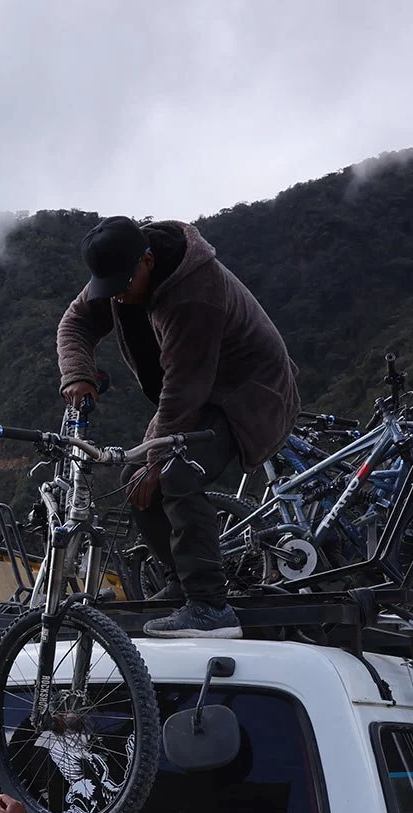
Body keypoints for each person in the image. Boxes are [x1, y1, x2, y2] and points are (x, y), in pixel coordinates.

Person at [56, 215, 300, 639]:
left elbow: (185, 391)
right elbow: (73, 323)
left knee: (174, 473)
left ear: (148, 261)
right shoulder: (124, 274)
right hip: (195, 392)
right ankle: (181, 580)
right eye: (108, 287)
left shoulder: (194, 294)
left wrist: (156, 462)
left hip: (249, 393)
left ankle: (210, 607)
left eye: (121, 286)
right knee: (135, 478)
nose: (116, 297)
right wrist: (78, 373)